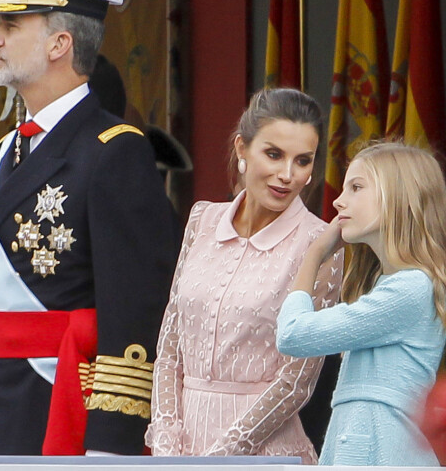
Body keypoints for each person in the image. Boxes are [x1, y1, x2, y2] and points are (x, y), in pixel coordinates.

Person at [0, 0, 179, 455]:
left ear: (61, 44)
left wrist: (110, 443)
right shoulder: (6, 148)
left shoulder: (113, 150)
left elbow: (134, 305)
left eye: (10, 26)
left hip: (58, 404)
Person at [146, 88, 344, 463]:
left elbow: (295, 384)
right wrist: (167, 445)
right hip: (179, 451)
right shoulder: (202, 220)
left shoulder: (320, 244)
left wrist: (222, 457)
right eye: (274, 154)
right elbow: (170, 348)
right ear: (242, 149)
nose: (287, 175)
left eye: (303, 161)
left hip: (265, 454)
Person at [277, 141, 446, 466]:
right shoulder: (391, 285)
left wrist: (314, 255)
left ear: (399, 197)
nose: (340, 201)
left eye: (356, 187)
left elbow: (293, 334)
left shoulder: (411, 288)